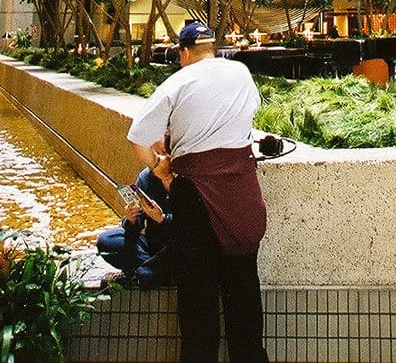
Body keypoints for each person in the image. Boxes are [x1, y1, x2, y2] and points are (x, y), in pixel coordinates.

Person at [127, 20, 269, 363]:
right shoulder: (241, 72)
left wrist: (159, 167)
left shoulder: (177, 81)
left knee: (197, 300)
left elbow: (137, 138)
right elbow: (246, 118)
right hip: (241, 193)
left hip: (194, 197)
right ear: (212, 49)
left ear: (184, 53)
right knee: (244, 293)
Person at [96, 159, 172, 288]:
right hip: (152, 246)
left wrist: (163, 219)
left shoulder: (188, 178)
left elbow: (194, 226)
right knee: (107, 240)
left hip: (178, 246)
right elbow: (137, 226)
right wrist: (131, 219)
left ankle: (142, 275)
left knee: (182, 246)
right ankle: (154, 273)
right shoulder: (146, 177)